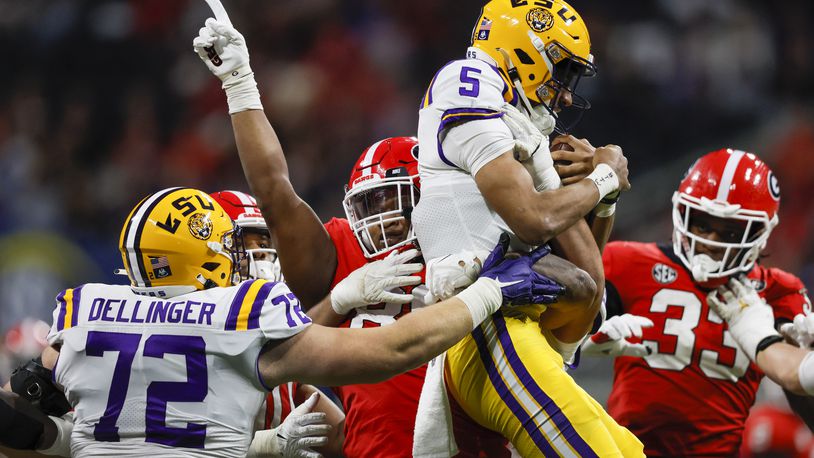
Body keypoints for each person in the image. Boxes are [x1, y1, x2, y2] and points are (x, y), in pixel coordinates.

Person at [191, 3, 567, 456]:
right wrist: (240, 84)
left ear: (429, 194)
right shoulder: (343, 249)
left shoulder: (474, 234)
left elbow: (580, 294)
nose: (382, 218)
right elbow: (275, 192)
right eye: (370, 204)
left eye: (393, 200)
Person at [0, 187, 561, 457]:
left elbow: (23, 410)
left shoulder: (82, 312)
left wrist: (57, 437)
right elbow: (391, 352)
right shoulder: (240, 315)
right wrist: (490, 291)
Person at [409, 0, 642, 455]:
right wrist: (604, 176)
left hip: (523, 328)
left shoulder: (517, 124)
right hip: (489, 325)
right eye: (564, 70)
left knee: (628, 450)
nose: (568, 94)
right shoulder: (466, 82)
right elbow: (533, 220)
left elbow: (589, 275)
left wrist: (604, 197)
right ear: (528, 51)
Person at [582, 148, 811, 456]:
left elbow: (804, 398)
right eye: (702, 223)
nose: (712, 241)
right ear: (682, 214)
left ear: (759, 231)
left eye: (731, 231)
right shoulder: (629, 262)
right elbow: (555, 329)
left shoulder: (779, 291)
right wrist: (580, 338)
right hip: (625, 450)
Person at [211, 189, 346, 457]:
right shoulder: (197, 331)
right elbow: (171, 440)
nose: (262, 259)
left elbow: (341, 439)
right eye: (247, 246)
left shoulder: (268, 331)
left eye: (265, 246)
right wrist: (263, 446)